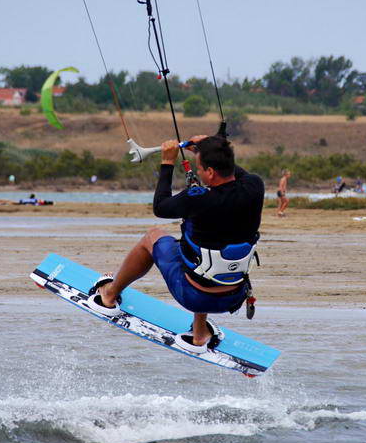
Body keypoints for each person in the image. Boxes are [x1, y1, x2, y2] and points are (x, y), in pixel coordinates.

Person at [86, 135, 264, 353]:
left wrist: (167, 163)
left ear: (210, 172)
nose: (197, 172)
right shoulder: (255, 187)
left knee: (153, 236)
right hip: (233, 296)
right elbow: (235, 172)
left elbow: (160, 208)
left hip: (192, 295)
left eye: (199, 167)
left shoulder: (197, 198)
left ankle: (109, 296)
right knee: (203, 252)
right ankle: (199, 335)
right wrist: (207, 149)